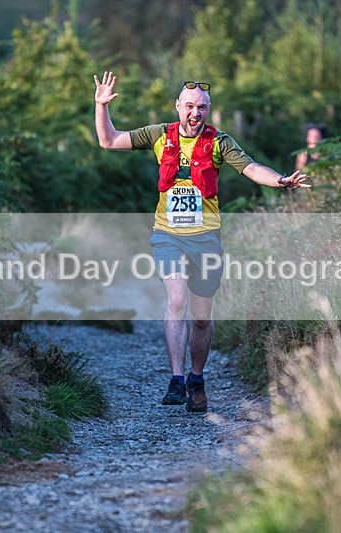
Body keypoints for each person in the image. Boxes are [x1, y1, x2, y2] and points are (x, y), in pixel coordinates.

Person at [94, 71, 310, 413]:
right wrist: (101, 106)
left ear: (208, 111)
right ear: (178, 106)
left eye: (203, 107)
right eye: (190, 106)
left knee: (201, 318)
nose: (196, 113)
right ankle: (177, 380)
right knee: (176, 299)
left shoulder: (220, 142)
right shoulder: (158, 136)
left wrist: (281, 180)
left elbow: (252, 169)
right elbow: (109, 141)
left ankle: (197, 378)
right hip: (168, 236)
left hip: (206, 240)